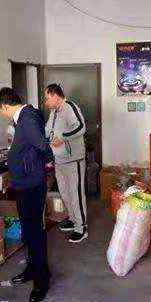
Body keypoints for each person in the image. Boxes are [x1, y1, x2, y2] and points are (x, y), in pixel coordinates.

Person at [0, 87, 54, 302]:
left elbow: (41, 144)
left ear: (4, 106)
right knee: (28, 230)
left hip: (30, 183)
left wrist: (48, 159)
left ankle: (42, 280)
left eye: (0, 110)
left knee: (34, 232)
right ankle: (32, 268)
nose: (1, 114)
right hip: (25, 181)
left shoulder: (26, 118)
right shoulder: (25, 117)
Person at [44, 83, 88, 243]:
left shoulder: (69, 107)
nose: (46, 102)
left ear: (56, 96)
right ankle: (73, 219)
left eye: (47, 98)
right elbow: (48, 130)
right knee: (64, 193)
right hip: (59, 160)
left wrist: (62, 137)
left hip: (73, 159)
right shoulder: (54, 112)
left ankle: (81, 228)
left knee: (75, 194)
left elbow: (81, 127)